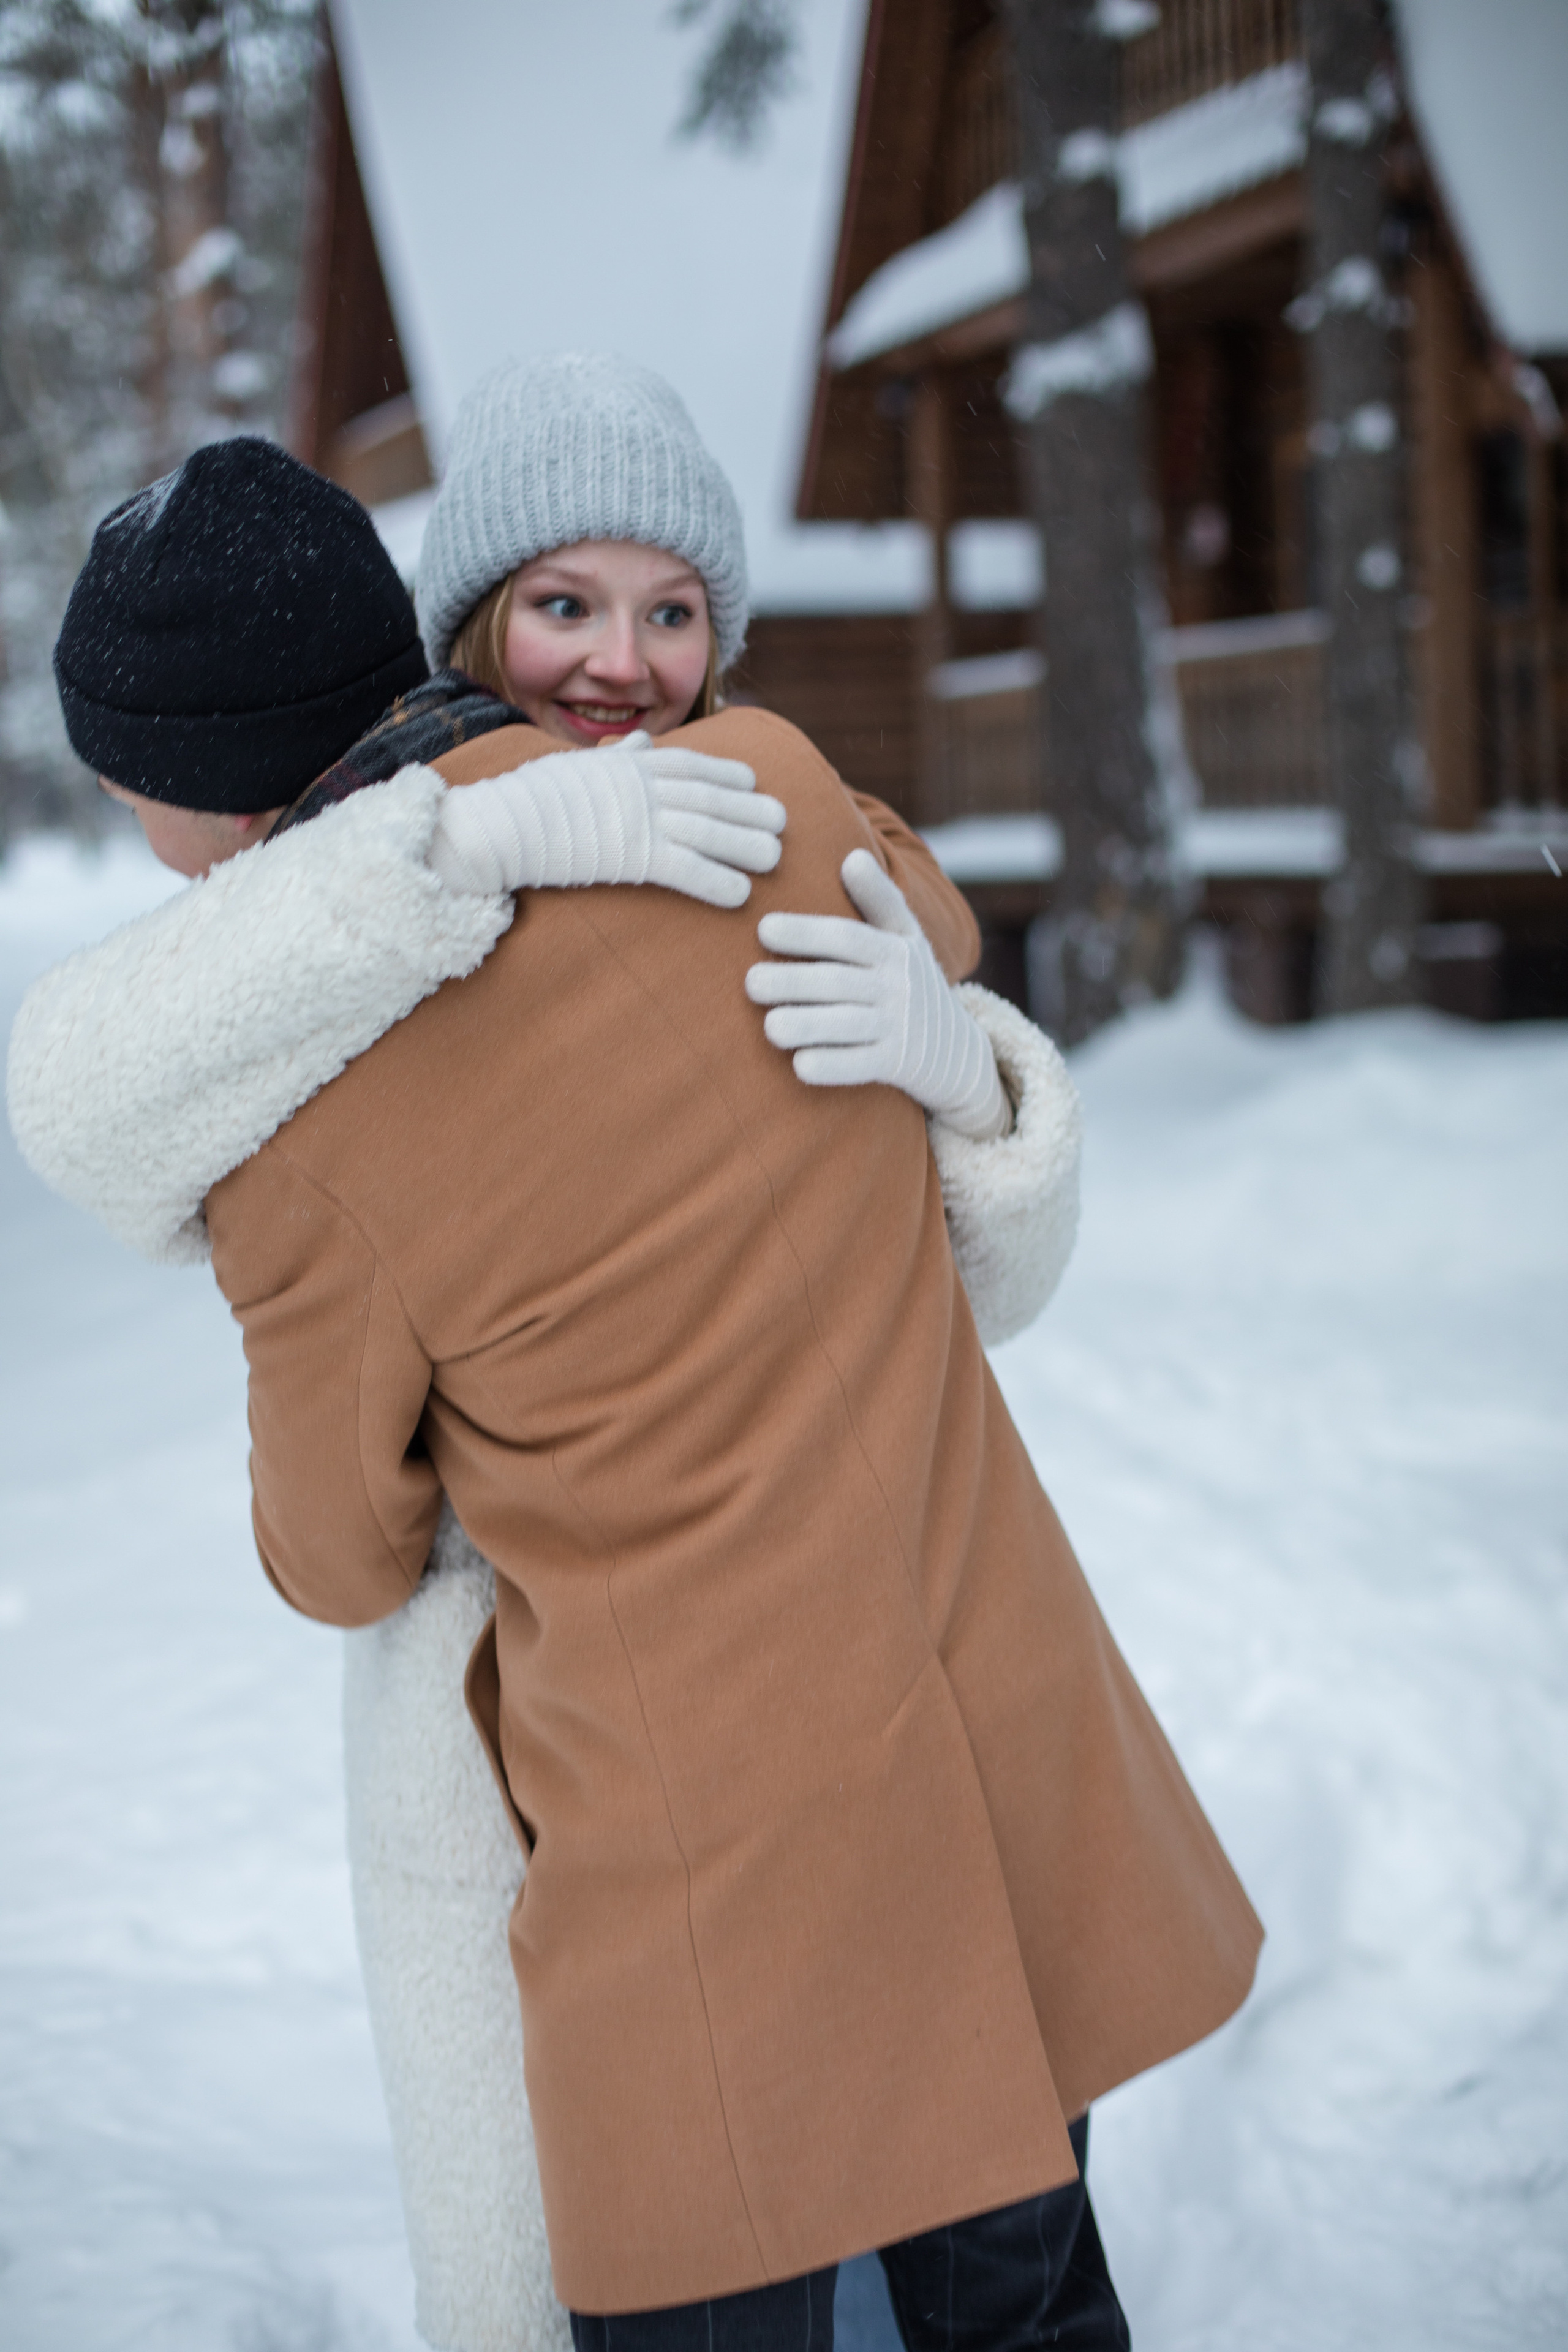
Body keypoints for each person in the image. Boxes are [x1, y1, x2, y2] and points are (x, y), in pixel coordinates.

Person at [8, 409, 1090, 2352]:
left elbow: (341, 1554)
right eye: (568, 606)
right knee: (1009, 2270)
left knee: (683, 2241)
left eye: (666, 609)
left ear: (188, 784)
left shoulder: (306, 1119)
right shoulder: (764, 799)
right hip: (948, 1711)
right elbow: (906, 921)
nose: (619, 658)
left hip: (641, 1795)